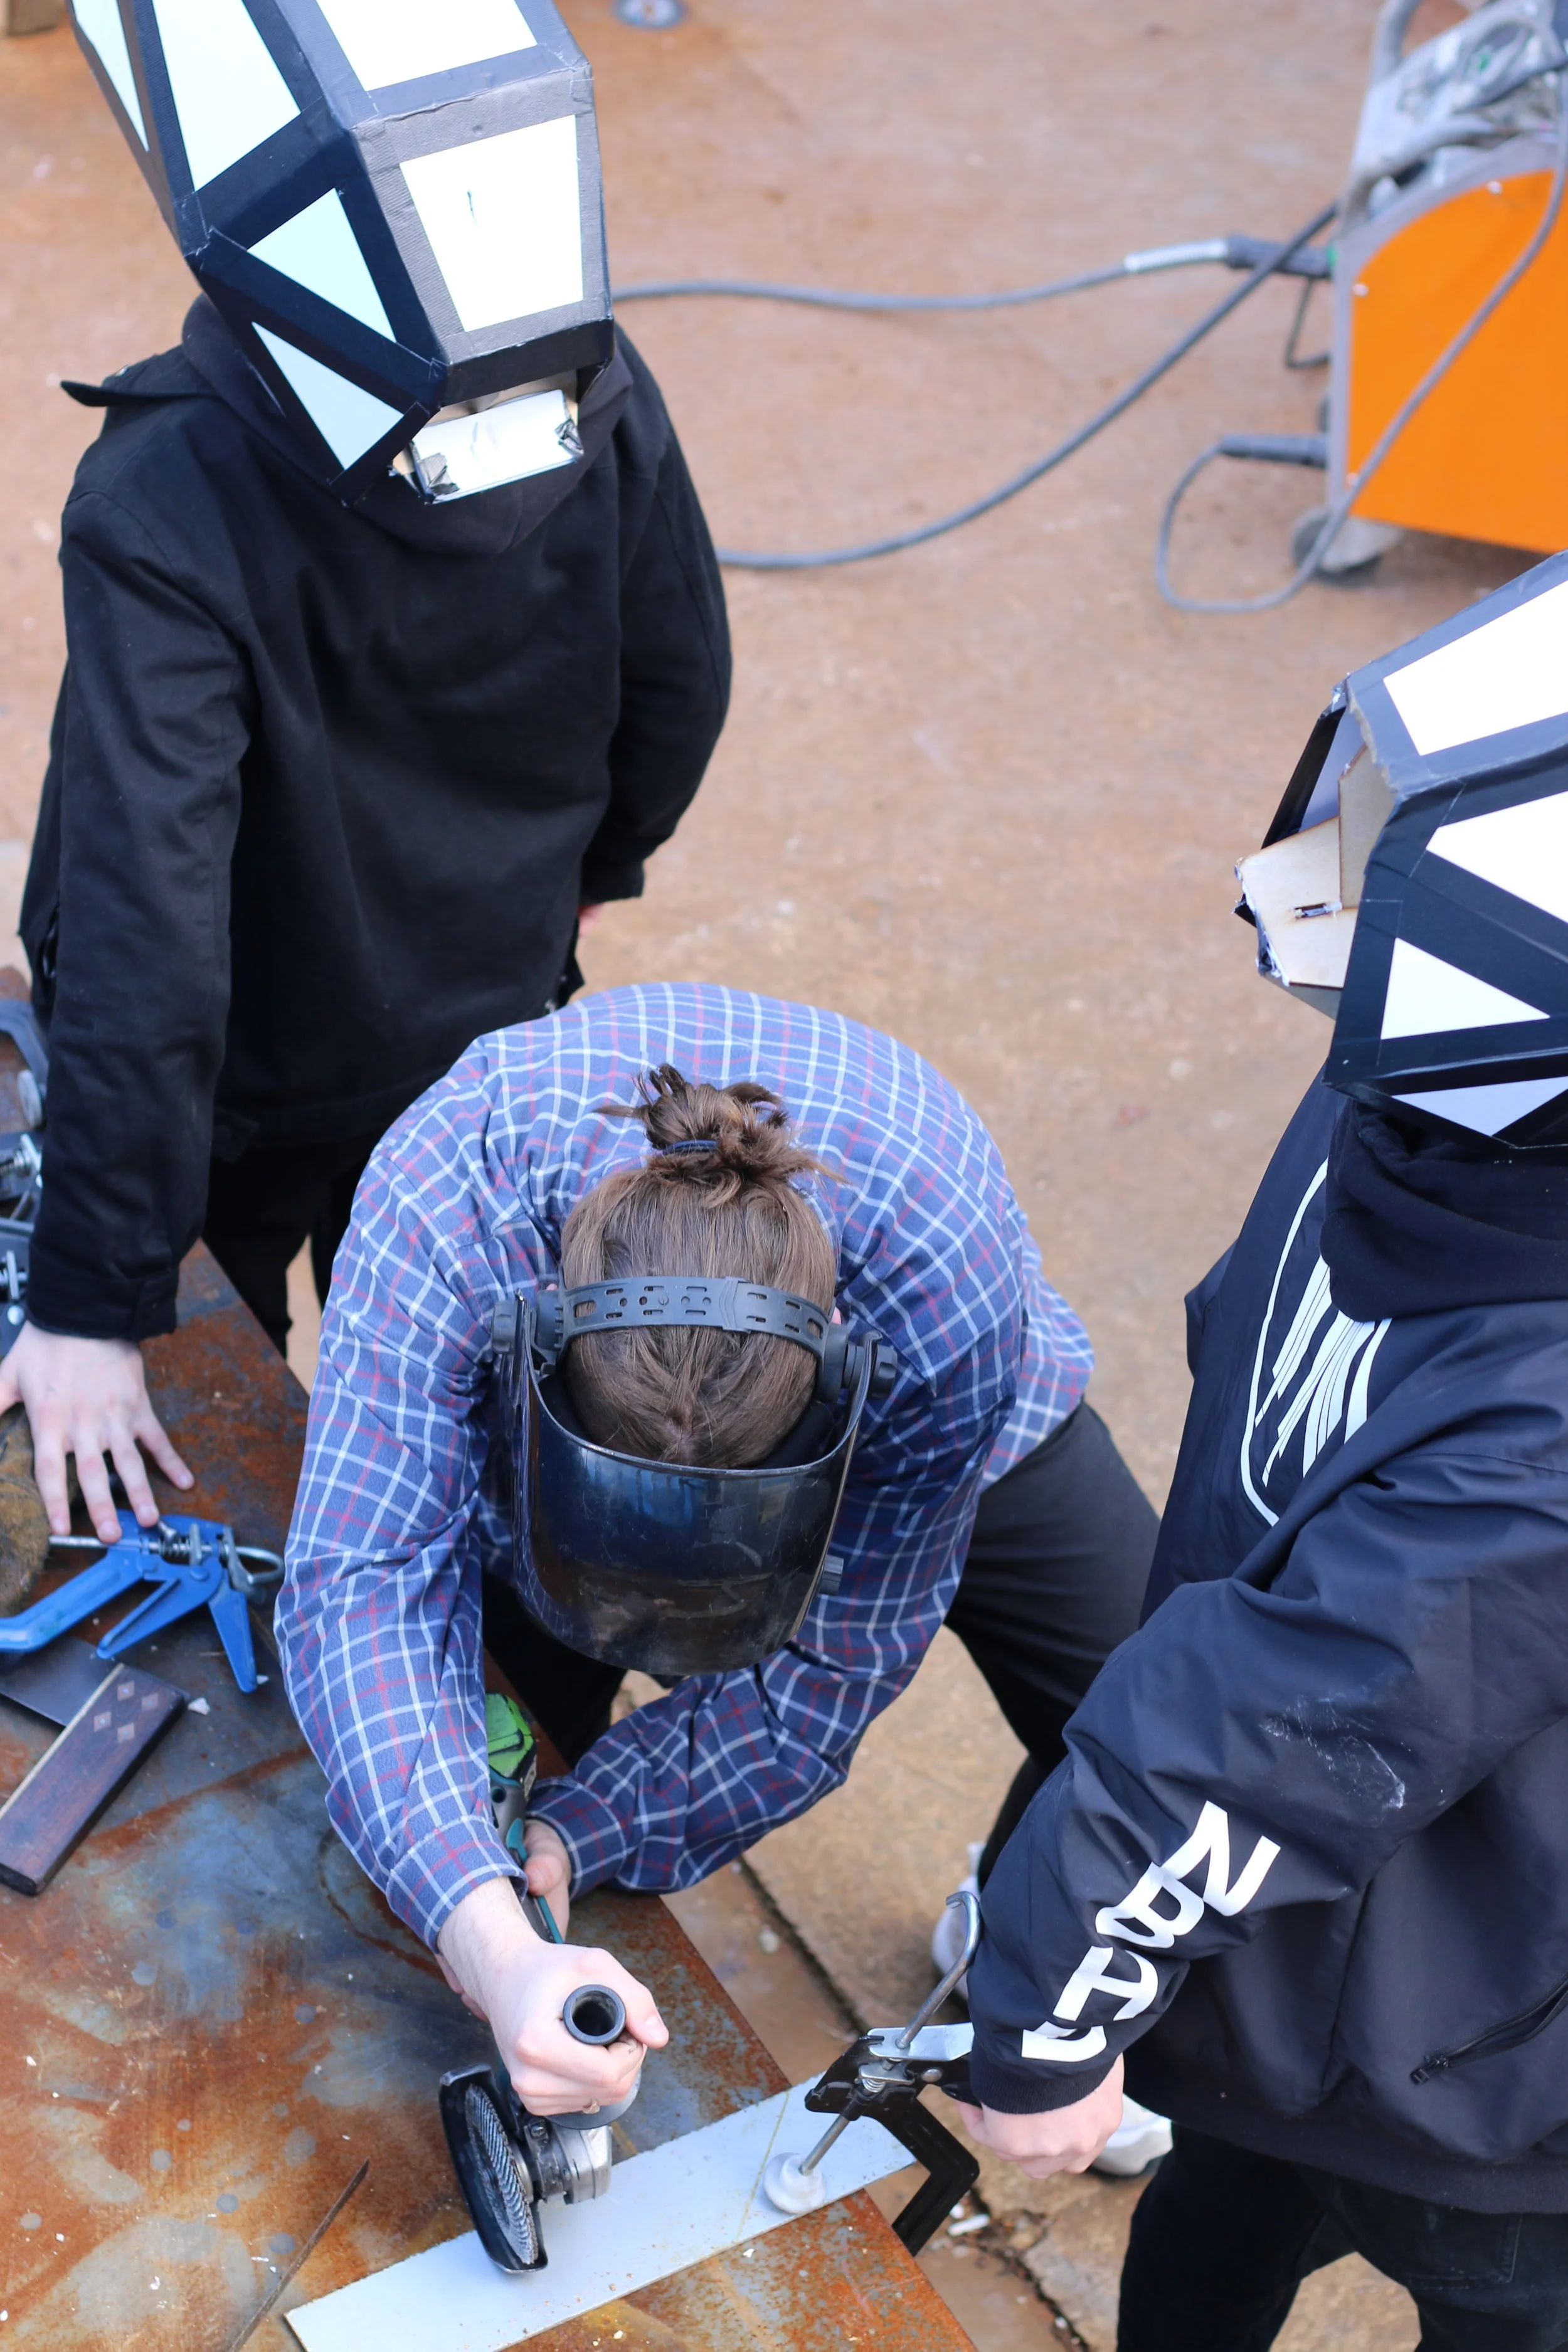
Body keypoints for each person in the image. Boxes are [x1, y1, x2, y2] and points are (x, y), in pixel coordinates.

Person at [4, 0, 729, 1552]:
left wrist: (92, 1302)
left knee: (237, 1427)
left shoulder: (164, 489)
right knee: (443, 1405)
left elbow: (146, 912)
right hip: (483, 1036)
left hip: (244, 1087)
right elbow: (680, 689)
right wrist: (585, 877)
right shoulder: (596, 392)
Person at [957, 549, 1568, 2350]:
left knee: (1229, 2225)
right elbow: (1258, 1725)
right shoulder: (1461, 1126)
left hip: (1314, 1995)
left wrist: (1069, 1998)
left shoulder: (1413, 1088)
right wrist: (1051, 2014)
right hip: (1461, 2056)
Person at [277, 982, 1157, 2128]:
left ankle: (1010, 1943)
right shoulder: (455, 1191)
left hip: (957, 1413)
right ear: (542, 1337)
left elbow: (840, 1657)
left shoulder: (941, 1282)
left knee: (1139, 1714)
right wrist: (496, 1921)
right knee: (503, 1766)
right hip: (531, 1458)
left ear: (836, 1373)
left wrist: (599, 1820)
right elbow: (365, 1576)